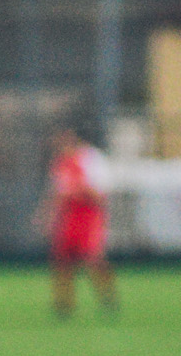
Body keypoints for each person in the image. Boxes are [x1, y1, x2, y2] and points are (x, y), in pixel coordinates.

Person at [37, 127, 119, 319]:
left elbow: (101, 194)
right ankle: (64, 305)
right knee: (62, 261)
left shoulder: (91, 159)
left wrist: (79, 189)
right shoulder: (60, 163)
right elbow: (56, 193)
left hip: (89, 216)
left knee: (93, 259)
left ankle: (107, 296)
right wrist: (46, 216)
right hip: (69, 216)